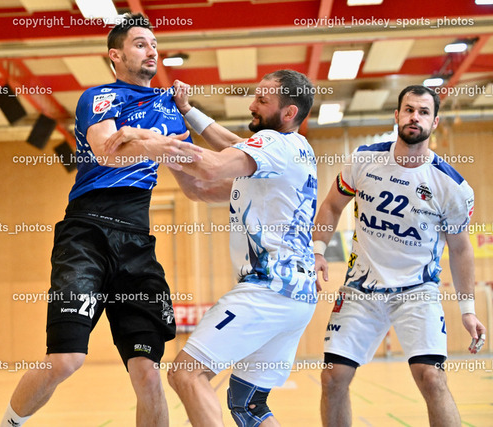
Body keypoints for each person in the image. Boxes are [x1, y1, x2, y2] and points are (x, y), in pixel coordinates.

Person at [0, 13, 202, 427]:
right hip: (86, 234)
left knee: (148, 373)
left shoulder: (171, 108)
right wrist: (157, 144)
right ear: (116, 55)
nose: (151, 51)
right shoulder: (99, 97)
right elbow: (107, 152)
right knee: (65, 359)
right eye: (140, 44)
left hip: (137, 242)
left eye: (154, 44)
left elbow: (197, 183)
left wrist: (243, 169)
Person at [114, 69, 318, 426]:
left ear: (289, 113)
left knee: (186, 374)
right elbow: (201, 188)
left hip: (269, 290)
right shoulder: (291, 152)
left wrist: (151, 140)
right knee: (248, 405)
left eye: (263, 100)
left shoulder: (275, 144)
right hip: (298, 296)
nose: (252, 105)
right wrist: (184, 117)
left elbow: (212, 167)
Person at [313, 85, 487, 427]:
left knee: (432, 378)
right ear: (396, 115)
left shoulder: (451, 186)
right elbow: (332, 205)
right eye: (408, 110)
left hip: (417, 291)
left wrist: (468, 310)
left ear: (435, 122)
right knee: (332, 377)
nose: (414, 117)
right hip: (361, 289)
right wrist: (318, 250)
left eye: (423, 112)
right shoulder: (364, 159)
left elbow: (460, 248)